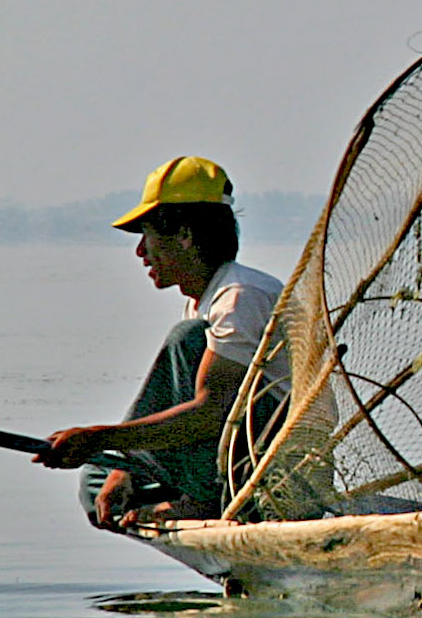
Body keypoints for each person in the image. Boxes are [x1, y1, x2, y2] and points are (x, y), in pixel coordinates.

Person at [32, 156, 289, 530]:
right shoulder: (206, 300)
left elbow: (211, 413)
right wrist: (121, 466)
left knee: (184, 341)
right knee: (97, 482)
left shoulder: (240, 296)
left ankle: (203, 501)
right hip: (221, 450)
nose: (140, 252)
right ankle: (182, 492)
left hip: (264, 458)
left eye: (147, 234)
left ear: (184, 234)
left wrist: (102, 437)